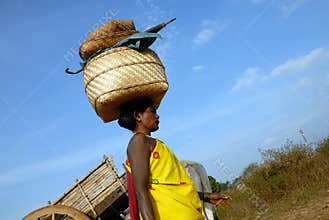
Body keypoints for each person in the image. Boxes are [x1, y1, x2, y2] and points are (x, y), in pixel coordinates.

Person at [118, 97, 231, 220]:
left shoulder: (154, 143)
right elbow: (141, 191)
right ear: (138, 116)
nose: (157, 116)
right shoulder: (139, 142)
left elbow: (171, 187)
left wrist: (207, 197)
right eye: (153, 111)